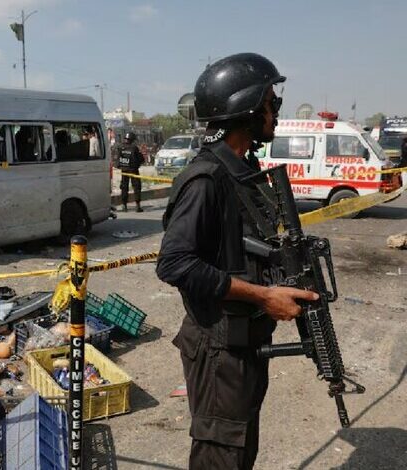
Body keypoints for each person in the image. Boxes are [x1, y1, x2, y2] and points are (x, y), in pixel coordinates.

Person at [156, 53, 319, 470]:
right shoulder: (207, 179)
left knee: (239, 453)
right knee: (220, 457)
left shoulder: (242, 171)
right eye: (271, 103)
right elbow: (174, 263)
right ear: (246, 109)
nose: (275, 113)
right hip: (219, 349)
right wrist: (264, 296)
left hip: (243, 343)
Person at [116, 132, 144, 212]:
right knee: (137, 187)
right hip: (133, 170)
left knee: (124, 187)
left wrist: (121, 166)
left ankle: (124, 206)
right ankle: (138, 206)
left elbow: (117, 160)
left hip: (124, 170)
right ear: (132, 140)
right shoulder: (134, 148)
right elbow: (140, 159)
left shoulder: (121, 147)